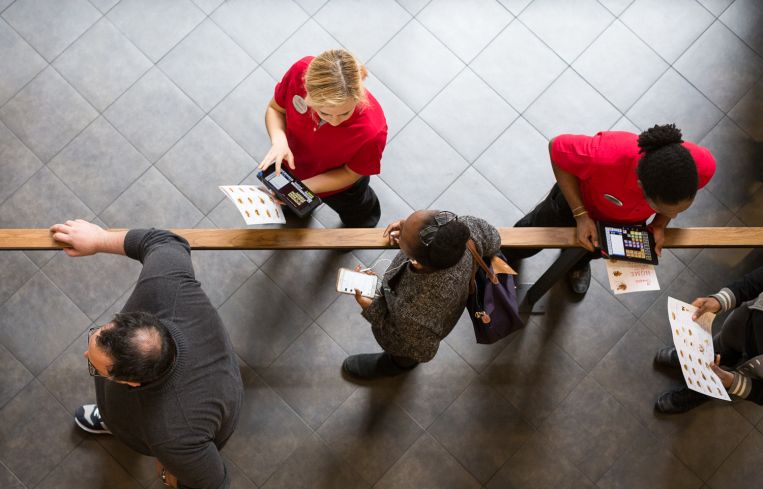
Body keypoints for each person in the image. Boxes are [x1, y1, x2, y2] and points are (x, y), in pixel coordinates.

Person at [49, 219, 243, 489]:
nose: (85, 355)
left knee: (139, 427)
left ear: (131, 383)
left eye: (98, 366)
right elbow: (166, 241)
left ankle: (114, 422)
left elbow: (216, 484)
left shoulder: (174, 437)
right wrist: (100, 239)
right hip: (209, 374)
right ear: (139, 320)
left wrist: (171, 476)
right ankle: (109, 414)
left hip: (196, 422)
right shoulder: (165, 287)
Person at [505, 124, 715, 294]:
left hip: (621, 224)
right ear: (641, 186)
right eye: (663, 209)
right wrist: (581, 215)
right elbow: (556, 146)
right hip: (575, 205)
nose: (674, 216)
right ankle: (505, 255)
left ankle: (577, 264)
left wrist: (659, 223)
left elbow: (669, 207)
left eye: (680, 210)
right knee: (539, 227)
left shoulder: (703, 166)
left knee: (593, 250)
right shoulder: (604, 154)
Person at [343, 210, 500, 379]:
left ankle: (395, 366)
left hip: (412, 338)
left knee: (404, 356)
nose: (401, 226)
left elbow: (423, 352)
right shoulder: (464, 229)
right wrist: (413, 232)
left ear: (415, 259)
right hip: (440, 305)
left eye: (403, 236)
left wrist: (372, 308)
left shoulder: (415, 312)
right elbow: (495, 240)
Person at [258, 49, 388, 228]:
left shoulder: (373, 130)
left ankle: (354, 234)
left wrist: (304, 187)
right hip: (293, 166)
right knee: (291, 209)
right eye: (324, 112)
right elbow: (275, 109)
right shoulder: (299, 72)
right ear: (307, 92)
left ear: (359, 96)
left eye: (345, 113)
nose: (334, 122)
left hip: (340, 185)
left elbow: (350, 173)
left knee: (359, 215)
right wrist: (279, 140)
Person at [654, 264, 763, 413]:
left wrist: (735, 383)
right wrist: (721, 300)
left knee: (721, 382)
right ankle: (691, 359)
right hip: (748, 320)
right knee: (718, 347)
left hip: (756, 374)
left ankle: (700, 391)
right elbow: (758, 279)